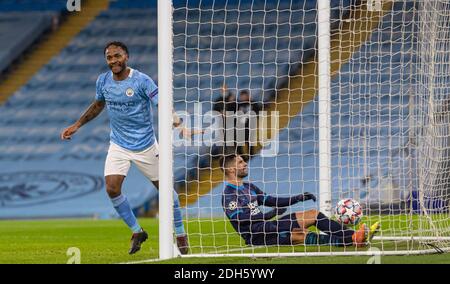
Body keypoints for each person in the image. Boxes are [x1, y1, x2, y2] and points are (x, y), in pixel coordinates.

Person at [61, 41, 200, 255]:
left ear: (126, 56)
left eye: (117, 56)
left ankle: (180, 232)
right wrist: (77, 124)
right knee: (111, 188)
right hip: (118, 144)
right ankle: (137, 231)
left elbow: (162, 103)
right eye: (109, 57)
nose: (113, 61)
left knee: (166, 191)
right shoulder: (103, 81)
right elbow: (98, 104)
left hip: (145, 145)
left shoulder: (142, 81)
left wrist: (179, 124)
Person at [220, 154, 380, 247]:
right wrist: (268, 215)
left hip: (267, 225)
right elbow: (239, 219)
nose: (245, 163)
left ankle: (353, 238)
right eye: (240, 162)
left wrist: (297, 198)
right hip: (256, 235)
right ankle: (353, 238)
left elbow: (272, 200)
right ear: (231, 169)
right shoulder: (228, 194)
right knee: (300, 235)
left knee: (313, 215)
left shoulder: (249, 187)